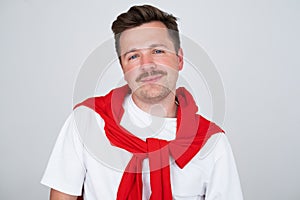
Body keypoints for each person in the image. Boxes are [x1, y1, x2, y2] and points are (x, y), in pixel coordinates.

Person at [41, 4, 243, 200]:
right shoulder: (87, 121)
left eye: (157, 51)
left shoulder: (212, 143)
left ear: (179, 59)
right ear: (123, 68)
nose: (147, 65)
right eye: (134, 56)